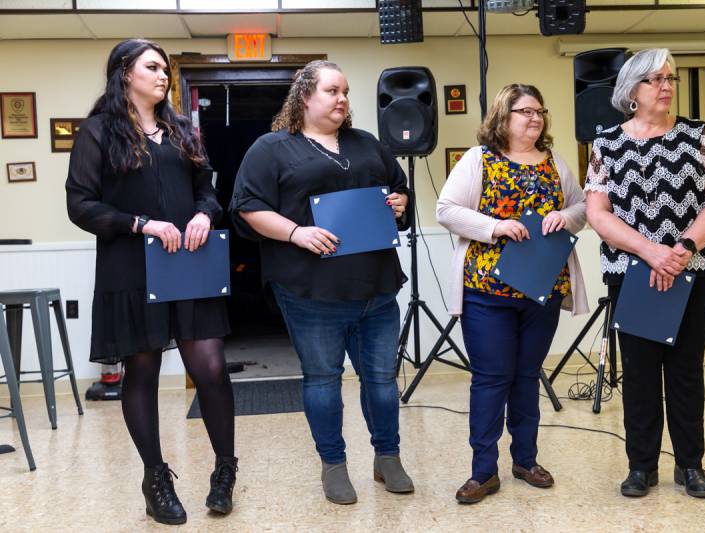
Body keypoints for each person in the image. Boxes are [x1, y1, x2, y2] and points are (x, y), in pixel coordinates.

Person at [65, 39, 237, 525]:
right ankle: (155, 478)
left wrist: (205, 214)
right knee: (141, 371)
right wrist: (141, 223)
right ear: (125, 73)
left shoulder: (182, 129)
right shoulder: (98, 132)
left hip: (188, 264)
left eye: (164, 68)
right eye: (153, 67)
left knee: (210, 368)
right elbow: (80, 205)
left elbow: (207, 189)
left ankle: (225, 470)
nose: (163, 75)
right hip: (131, 267)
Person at [229, 60, 414, 505]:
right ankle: (333, 464)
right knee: (323, 380)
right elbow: (246, 208)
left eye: (345, 91)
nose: (342, 99)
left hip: (376, 287)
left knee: (382, 382)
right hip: (310, 292)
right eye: (332, 91)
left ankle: (387, 457)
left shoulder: (367, 144)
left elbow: (400, 192)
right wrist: (296, 232)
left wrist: (398, 202)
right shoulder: (273, 148)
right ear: (305, 96)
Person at [585, 48, 705, 499]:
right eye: (655, 79)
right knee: (640, 370)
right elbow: (598, 211)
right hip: (632, 270)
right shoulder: (606, 143)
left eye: (671, 78)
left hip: (692, 269)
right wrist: (651, 252)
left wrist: (682, 249)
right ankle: (641, 466)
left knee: (686, 369)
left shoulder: (697, 134)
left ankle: (691, 466)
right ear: (631, 91)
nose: (666, 85)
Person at [437, 83, 588, 504]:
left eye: (540, 111)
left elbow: (582, 209)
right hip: (487, 290)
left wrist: (565, 215)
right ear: (503, 117)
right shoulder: (478, 159)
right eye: (525, 111)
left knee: (526, 376)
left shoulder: (556, 162)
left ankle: (525, 460)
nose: (535, 118)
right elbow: (446, 210)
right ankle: (483, 472)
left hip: (542, 289)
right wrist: (494, 226)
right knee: (491, 379)